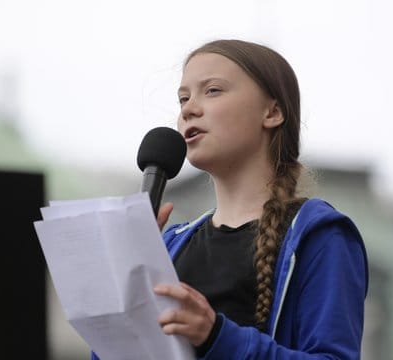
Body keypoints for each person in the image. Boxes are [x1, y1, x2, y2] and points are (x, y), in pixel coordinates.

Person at [93, 39, 368, 359]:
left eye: (212, 91)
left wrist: (215, 336)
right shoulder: (170, 244)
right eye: (183, 98)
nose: (189, 109)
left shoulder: (319, 235)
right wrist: (126, 282)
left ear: (273, 111)